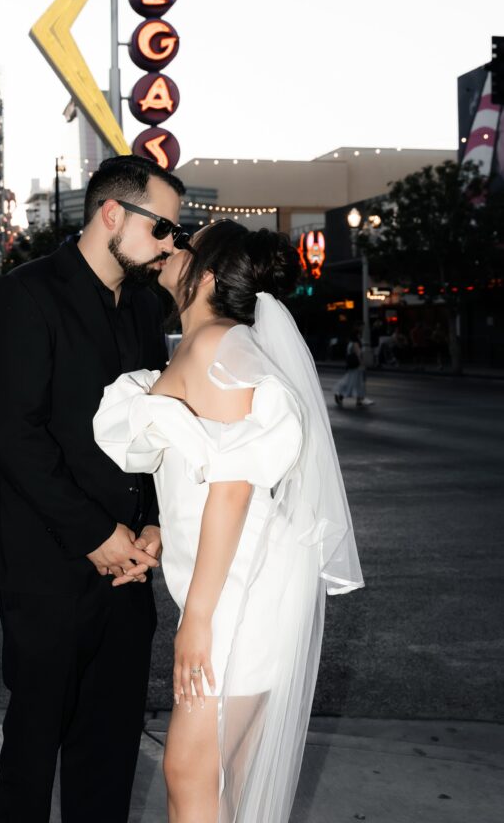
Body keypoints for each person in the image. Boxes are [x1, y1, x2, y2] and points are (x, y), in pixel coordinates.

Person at [94, 220, 364, 823]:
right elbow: (204, 463)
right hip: (230, 578)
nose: (170, 246)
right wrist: (163, 527)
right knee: (228, 775)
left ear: (206, 275)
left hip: (239, 589)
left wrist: (198, 621)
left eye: (184, 243)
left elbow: (235, 489)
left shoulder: (219, 344)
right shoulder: (203, 343)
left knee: (190, 769)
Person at [0, 155, 186, 822]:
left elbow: (159, 427)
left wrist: (154, 523)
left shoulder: (146, 306)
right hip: (45, 563)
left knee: (112, 742)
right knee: (36, 742)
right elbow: (18, 437)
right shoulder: (26, 293)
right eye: (162, 231)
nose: (170, 247)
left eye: (176, 236)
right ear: (112, 214)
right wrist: (95, 535)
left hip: (129, 568)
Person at [333, 327, 374, 407]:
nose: (360, 336)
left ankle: (345, 396)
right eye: (360, 334)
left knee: (351, 383)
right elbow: (358, 353)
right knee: (357, 383)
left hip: (352, 366)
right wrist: (362, 364)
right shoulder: (355, 343)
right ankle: (358, 399)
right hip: (356, 366)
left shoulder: (350, 343)